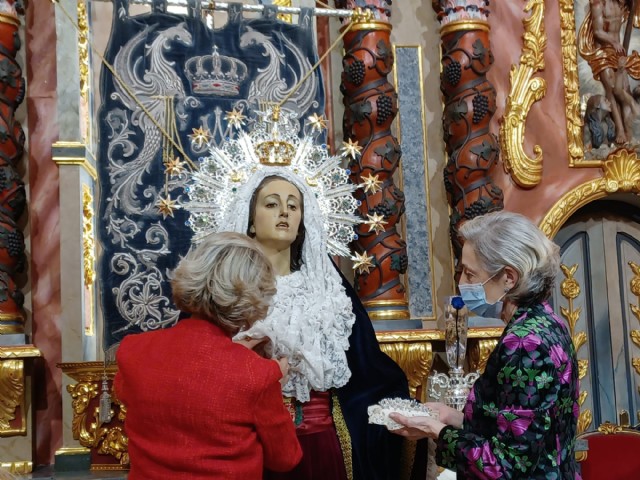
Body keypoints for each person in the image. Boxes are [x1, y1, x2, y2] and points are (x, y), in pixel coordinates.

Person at [185, 108, 416, 480]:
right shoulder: (221, 288)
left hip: (321, 446)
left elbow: (368, 371)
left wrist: (397, 409)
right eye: (272, 203)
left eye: (294, 205)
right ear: (250, 216)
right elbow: (195, 365)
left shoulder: (330, 290)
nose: (285, 213)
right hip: (245, 447)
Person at [389, 211, 581, 479]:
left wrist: (437, 431)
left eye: (470, 274)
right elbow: (518, 424)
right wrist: (450, 416)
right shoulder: (546, 320)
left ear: (509, 278)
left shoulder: (525, 343)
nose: (461, 283)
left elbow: (505, 467)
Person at [114, 232, 302, 479]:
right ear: (255, 297)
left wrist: (235, 360)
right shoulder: (257, 374)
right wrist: (271, 380)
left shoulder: (134, 351)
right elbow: (285, 459)